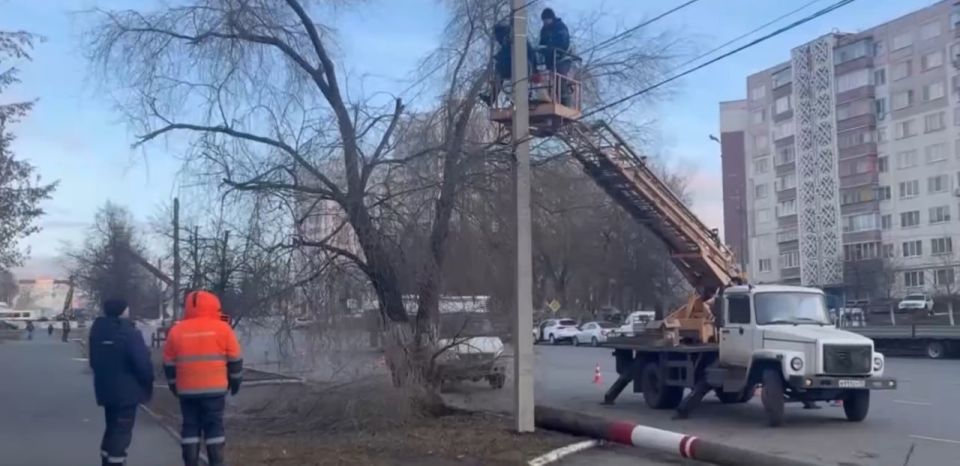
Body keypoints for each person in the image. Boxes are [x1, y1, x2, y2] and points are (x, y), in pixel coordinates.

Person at [163, 290, 243, 466]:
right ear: (214, 306)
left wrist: (173, 385)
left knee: (190, 426)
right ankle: (216, 461)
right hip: (215, 390)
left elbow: (168, 363)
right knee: (214, 427)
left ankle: (191, 462)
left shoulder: (176, 331)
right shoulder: (223, 329)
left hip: (187, 390)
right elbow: (235, 359)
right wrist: (235, 382)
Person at [89, 299, 154, 466]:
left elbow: (94, 361)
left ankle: (106, 459)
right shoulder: (129, 332)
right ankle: (115, 462)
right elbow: (142, 363)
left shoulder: (97, 331)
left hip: (105, 389)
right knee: (121, 432)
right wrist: (147, 384)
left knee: (111, 428)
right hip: (127, 391)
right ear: (122, 311)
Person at [480, 22, 538, 106]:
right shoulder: (505, 39)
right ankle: (492, 97)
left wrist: (535, 69)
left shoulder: (515, 37)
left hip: (523, 65)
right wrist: (498, 57)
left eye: (497, 38)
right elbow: (505, 52)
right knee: (499, 70)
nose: (497, 40)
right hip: (512, 66)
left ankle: (525, 96)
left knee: (502, 71)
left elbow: (530, 52)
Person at [539, 7, 573, 104]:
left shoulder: (560, 27)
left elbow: (564, 42)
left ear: (552, 18)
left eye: (546, 20)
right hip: (550, 60)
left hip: (562, 59)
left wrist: (552, 47)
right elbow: (542, 43)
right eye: (544, 20)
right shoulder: (544, 30)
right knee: (550, 82)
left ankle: (565, 103)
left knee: (560, 81)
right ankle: (551, 100)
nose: (545, 22)